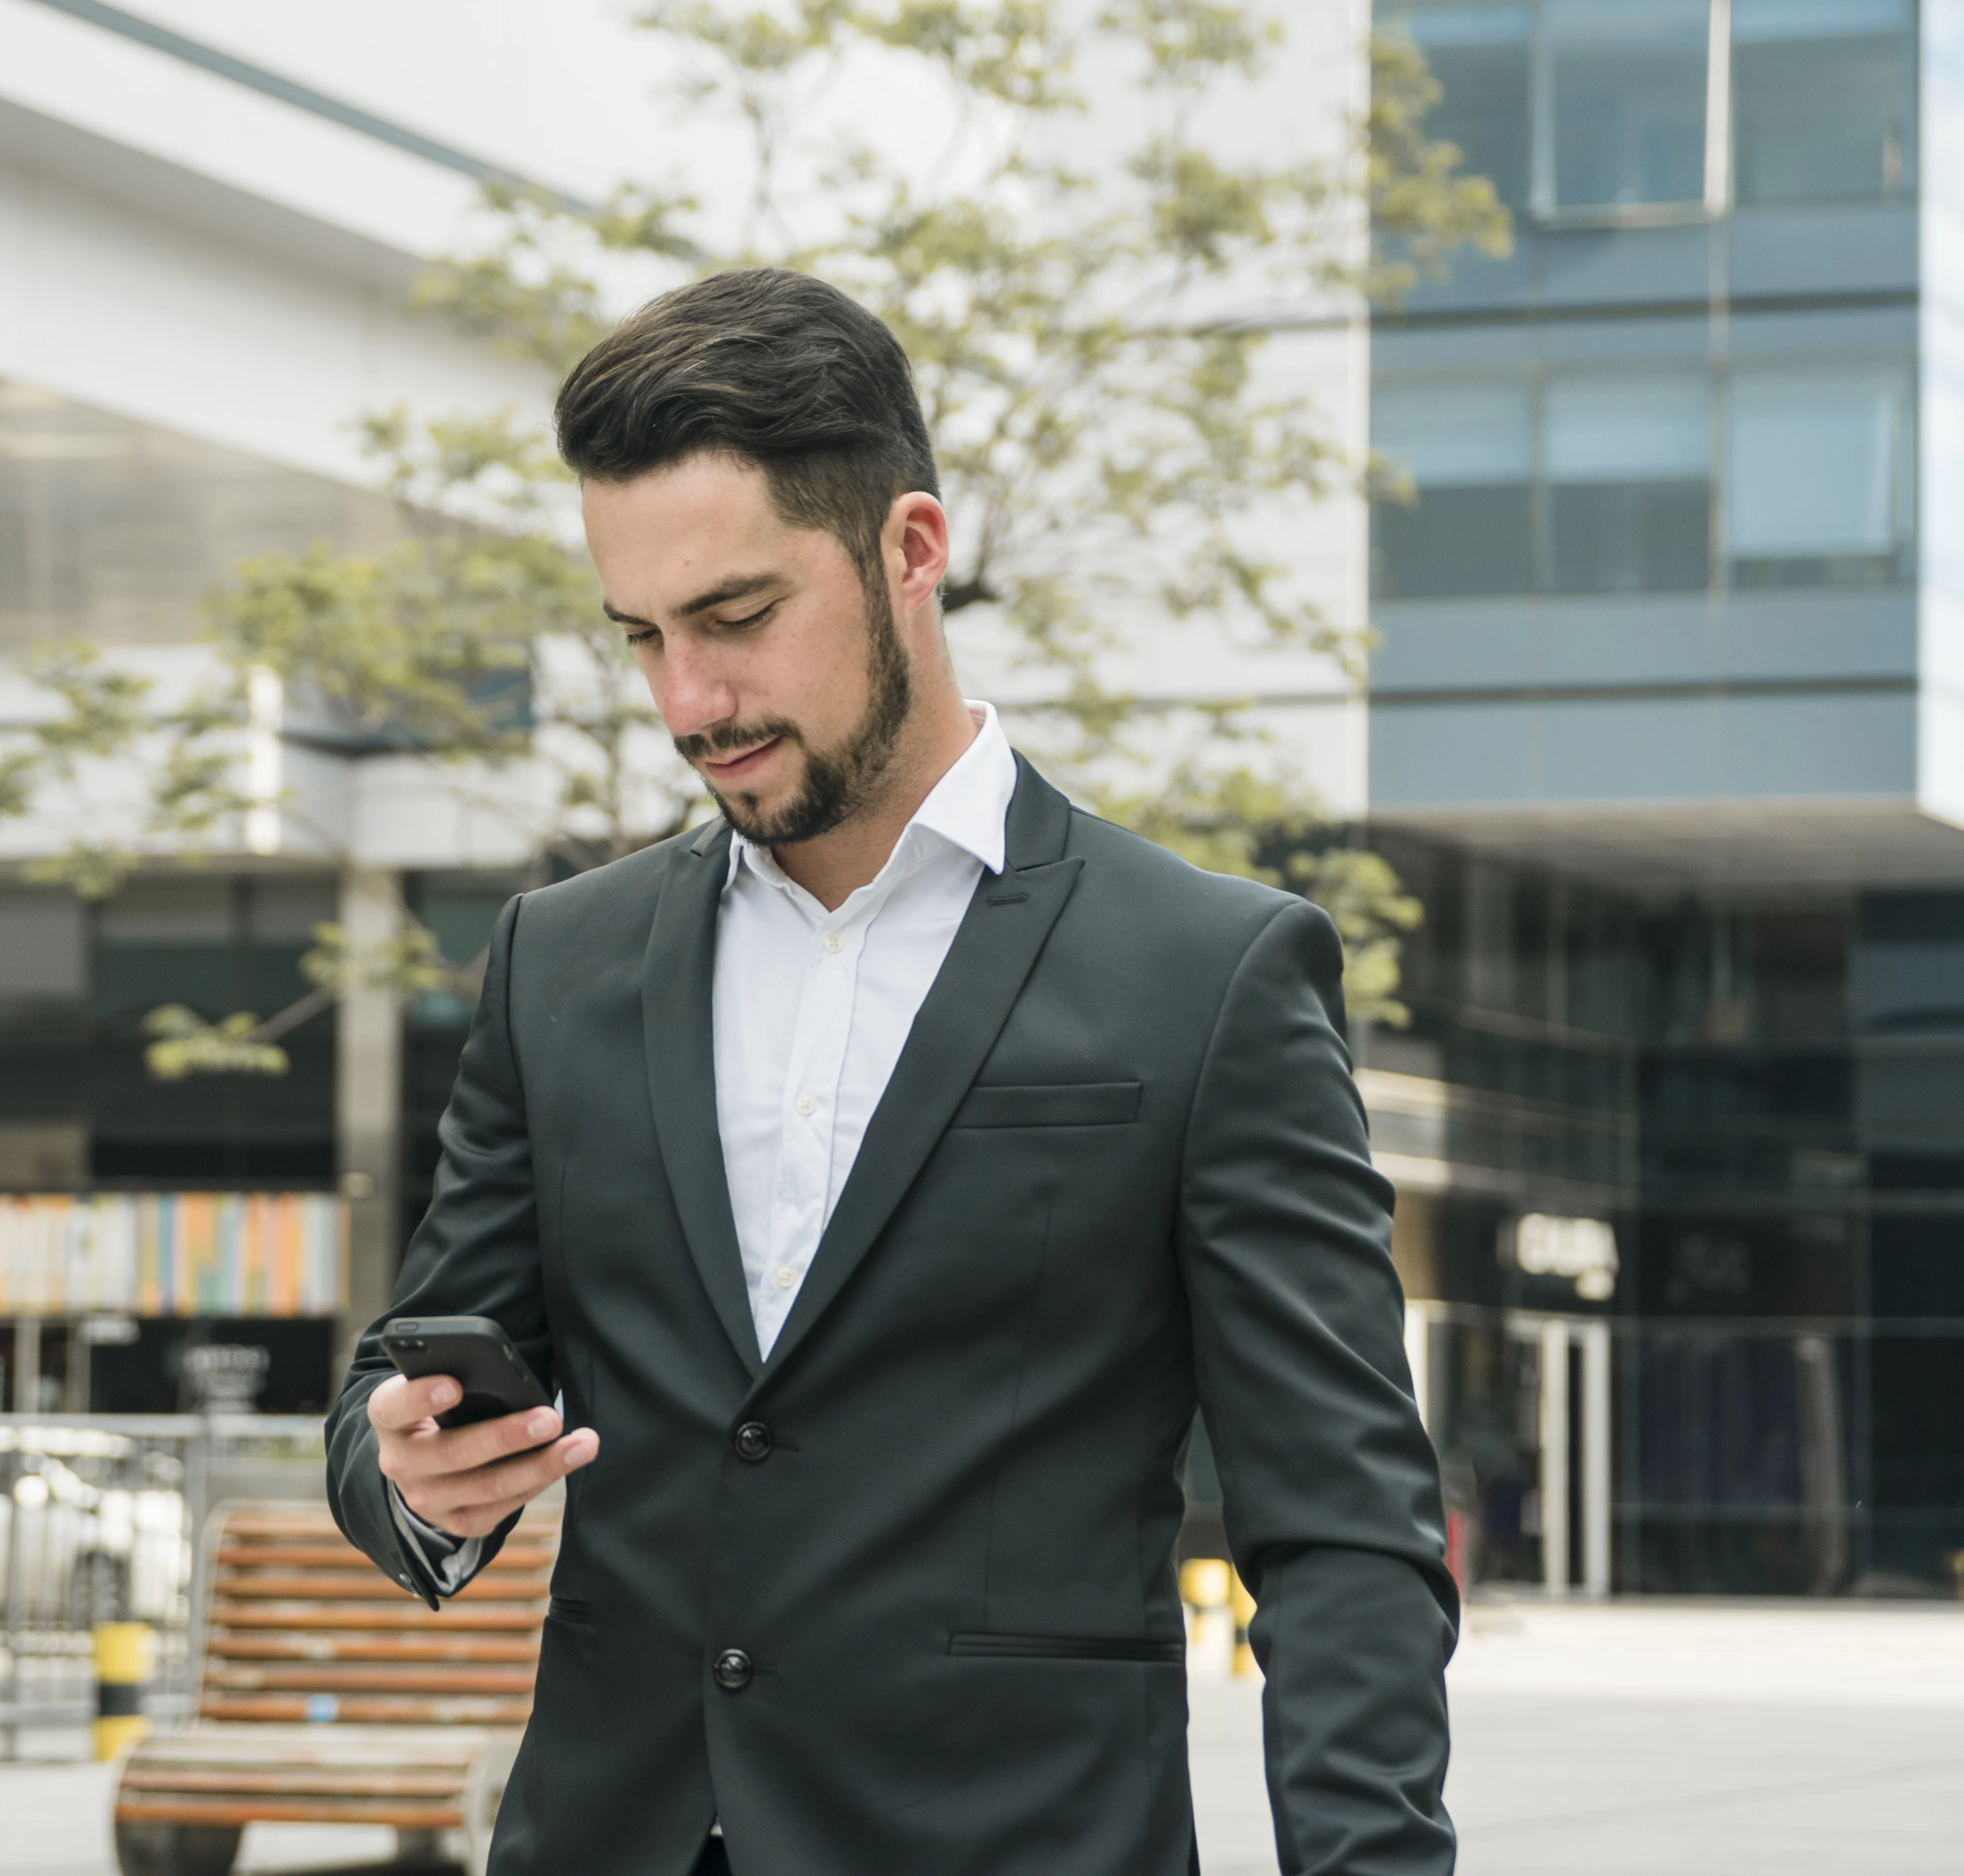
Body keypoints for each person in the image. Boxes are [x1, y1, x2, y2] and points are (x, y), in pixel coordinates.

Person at [324, 267, 1456, 1876]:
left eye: (735, 618)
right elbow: (404, 1387)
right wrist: (419, 1470)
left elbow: (1342, 1528)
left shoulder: (1208, 973)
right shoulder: (557, 963)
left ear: (908, 551)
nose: (686, 701)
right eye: (641, 635)